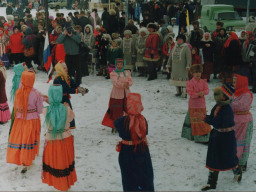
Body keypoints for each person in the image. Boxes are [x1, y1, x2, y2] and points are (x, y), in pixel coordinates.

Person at [201, 85, 242, 191]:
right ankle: (211, 183)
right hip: (216, 135)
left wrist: (205, 118)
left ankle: (238, 172)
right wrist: (205, 116)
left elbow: (217, 122)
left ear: (224, 96)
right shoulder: (217, 106)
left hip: (226, 137)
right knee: (213, 158)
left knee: (229, 157)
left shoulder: (227, 109)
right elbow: (212, 118)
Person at [6, 71, 48, 173]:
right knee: (28, 140)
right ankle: (26, 162)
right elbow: (39, 110)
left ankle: (19, 159)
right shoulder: (36, 93)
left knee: (20, 139)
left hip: (19, 120)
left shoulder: (18, 92)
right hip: (32, 120)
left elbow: (16, 106)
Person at [114, 93, 154, 191]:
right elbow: (144, 134)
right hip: (142, 150)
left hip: (126, 152)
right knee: (145, 174)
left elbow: (116, 125)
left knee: (128, 177)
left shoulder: (121, 121)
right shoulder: (143, 120)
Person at [42, 85, 77, 191]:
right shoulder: (66, 109)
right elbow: (71, 118)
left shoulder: (46, 110)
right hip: (65, 139)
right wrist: (66, 106)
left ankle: (58, 183)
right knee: (65, 162)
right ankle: (65, 184)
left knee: (55, 162)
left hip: (52, 141)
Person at [53, 61, 87, 129]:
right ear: (60, 69)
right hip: (59, 99)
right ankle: (60, 128)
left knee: (68, 112)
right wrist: (77, 91)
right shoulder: (58, 79)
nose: (66, 69)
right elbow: (66, 89)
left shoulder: (66, 77)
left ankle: (68, 127)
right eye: (64, 68)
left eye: (66, 67)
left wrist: (80, 88)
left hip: (65, 98)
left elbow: (73, 84)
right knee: (62, 114)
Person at [182, 64, 211, 143]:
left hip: (202, 105)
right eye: (196, 72)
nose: (198, 74)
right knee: (194, 120)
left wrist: (203, 92)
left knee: (202, 121)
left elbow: (207, 90)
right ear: (192, 73)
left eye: (199, 72)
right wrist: (198, 94)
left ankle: (203, 137)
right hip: (193, 105)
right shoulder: (190, 83)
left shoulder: (203, 82)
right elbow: (190, 92)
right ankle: (194, 136)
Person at [102, 59, 132, 133]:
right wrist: (125, 84)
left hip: (126, 94)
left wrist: (128, 83)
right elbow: (116, 83)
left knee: (127, 109)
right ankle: (115, 126)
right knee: (116, 111)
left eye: (121, 64)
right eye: (118, 64)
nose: (119, 66)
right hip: (116, 95)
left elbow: (130, 81)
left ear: (123, 65)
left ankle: (126, 124)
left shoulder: (127, 72)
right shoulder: (113, 73)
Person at [231, 74, 253, 171]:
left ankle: (242, 163)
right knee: (234, 142)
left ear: (241, 83)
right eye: (233, 82)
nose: (234, 84)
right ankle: (234, 160)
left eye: (236, 82)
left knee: (243, 142)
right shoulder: (235, 93)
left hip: (244, 121)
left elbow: (241, 106)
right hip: (235, 121)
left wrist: (229, 103)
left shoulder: (246, 94)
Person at [9, 63, 27, 134]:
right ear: (21, 70)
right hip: (20, 106)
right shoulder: (20, 81)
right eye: (25, 68)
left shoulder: (18, 78)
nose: (27, 69)